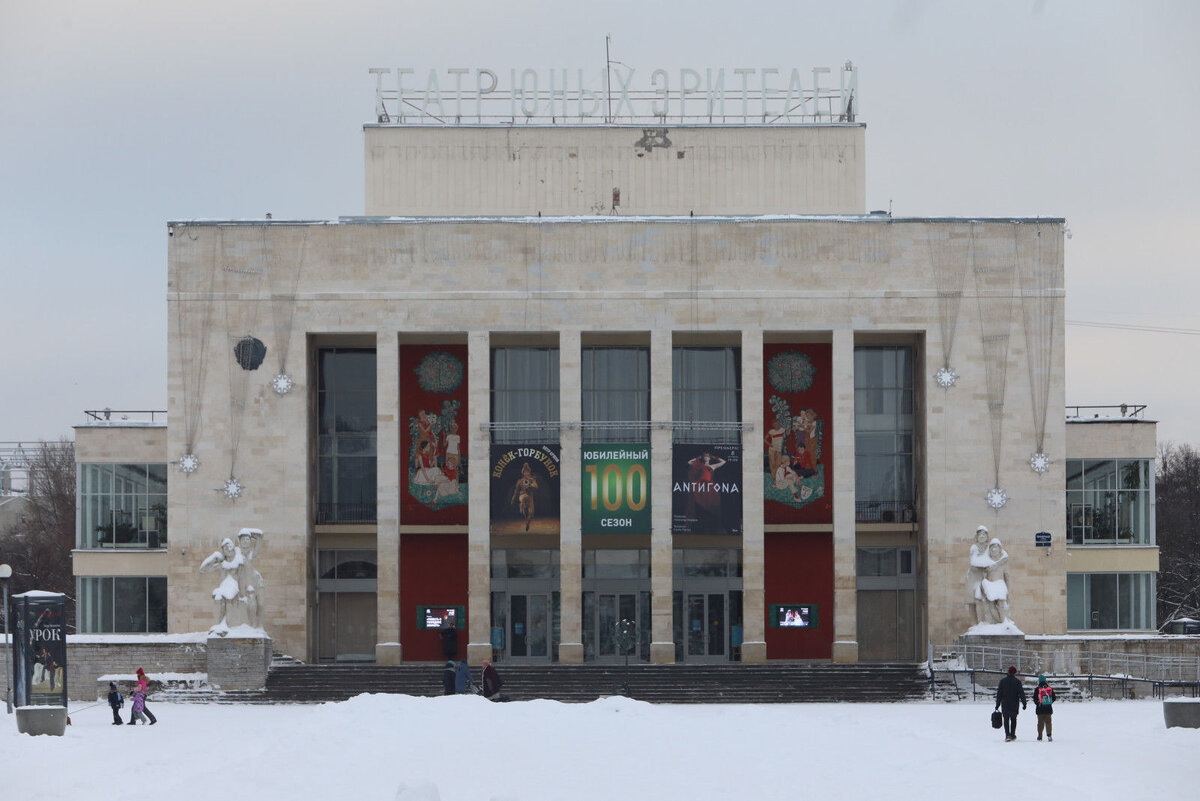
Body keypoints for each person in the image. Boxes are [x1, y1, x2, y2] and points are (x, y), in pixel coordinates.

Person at [966, 525, 991, 625]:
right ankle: (975, 624)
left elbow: (993, 561)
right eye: (980, 534)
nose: (982, 536)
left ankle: (984, 622)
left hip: (984, 578)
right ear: (976, 536)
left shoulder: (989, 548)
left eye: (984, 534)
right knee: (972, 602)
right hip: (973, 578)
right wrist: (985, 563)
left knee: (985, 600)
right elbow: (974, 562)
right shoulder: (974, 548)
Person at [994, 665, 1027, 741]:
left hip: (1005, 703)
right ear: (1015, 673)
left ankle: (1007, 735)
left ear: (1008, 672)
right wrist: (1024, 703)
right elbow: (1021, 693)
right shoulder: (1017, 682)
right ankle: (1012, 734)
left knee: (1006, 719)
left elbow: (999, 694)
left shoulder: (1002, 681)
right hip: (1014, 704)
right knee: (1013, 719)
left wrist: (997, 704)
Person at [509, 462, 539, 531]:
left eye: (527, 472)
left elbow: (536, 487)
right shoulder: (520, 481)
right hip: (522, 496)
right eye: (525, 472)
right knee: (524, 497)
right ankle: (521, 505)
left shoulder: (532, 480)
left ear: (529, 473)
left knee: (531, 513)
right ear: (523, 473)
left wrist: (531, 484)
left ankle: (527, 523)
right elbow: (516, 491)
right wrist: (513, 500)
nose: (526, 474)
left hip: (530, 497)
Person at [1033, 674, 1056, 742]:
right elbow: (1054, 698)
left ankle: (1040, 736)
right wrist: (1049, 702)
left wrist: (1038, 703)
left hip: (1040, 709)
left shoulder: (1037, 689)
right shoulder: (1049, 688)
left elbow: (1034, 699)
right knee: (1048, 722)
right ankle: (1049, 735)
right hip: (1048, 709)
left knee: (1040, 723)